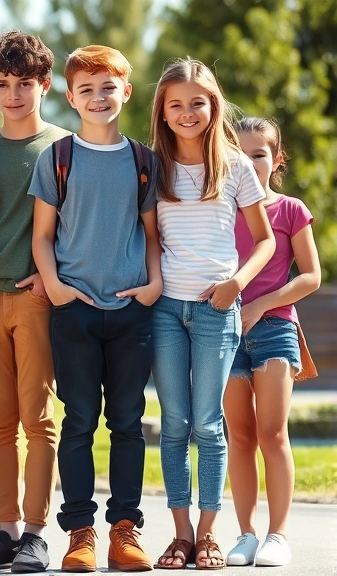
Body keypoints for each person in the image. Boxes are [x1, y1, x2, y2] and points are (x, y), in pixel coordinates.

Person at [29, 45, 162, 573]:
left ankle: (124, 531)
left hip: (132, 313)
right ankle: (80, 533)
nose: (98, 97)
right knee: (79, 421)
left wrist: (153, 285)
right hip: (75, 312)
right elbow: (42, 237)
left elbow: (152, 236)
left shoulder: (143, 160)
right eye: (86, 89)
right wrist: (57, 288)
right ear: (70, 97)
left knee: (128, 422)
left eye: (108, 87)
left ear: (125, 92)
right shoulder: (57, 158)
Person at [148, 58, 276, 571]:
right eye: (175, 104)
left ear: (213, 105)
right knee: (174, 424)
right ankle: (180, 535)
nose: (186, 112)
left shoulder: (235, 165)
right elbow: (151, 239)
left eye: (196, 102)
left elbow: (265, 241)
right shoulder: (152, 165)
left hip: (216, 310)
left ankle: (208, 534)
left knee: (208, 423)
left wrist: (237, 285)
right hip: (164, 311)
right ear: (161, 109)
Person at [0, 31, 69, 574]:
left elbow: (79, 225)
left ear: (44, 84)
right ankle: (4, 532)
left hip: (38, 299)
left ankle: (35, 533)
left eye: (24, 83)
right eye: (2, 83)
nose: (13, 94)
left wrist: (55, 279)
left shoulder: (66, 145)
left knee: (38, 416)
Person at [222, 117, 320, 568]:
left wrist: (260, 306)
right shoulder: (219, 210)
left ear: (276, 160)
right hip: (223, 334)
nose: (249, 161)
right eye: (240, 153)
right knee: (238, 436)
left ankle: (278, 535)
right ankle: (245, 533)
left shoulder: (290, 210)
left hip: (275, 330)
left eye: (259, 153)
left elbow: (311, 276)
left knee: (272, 433)